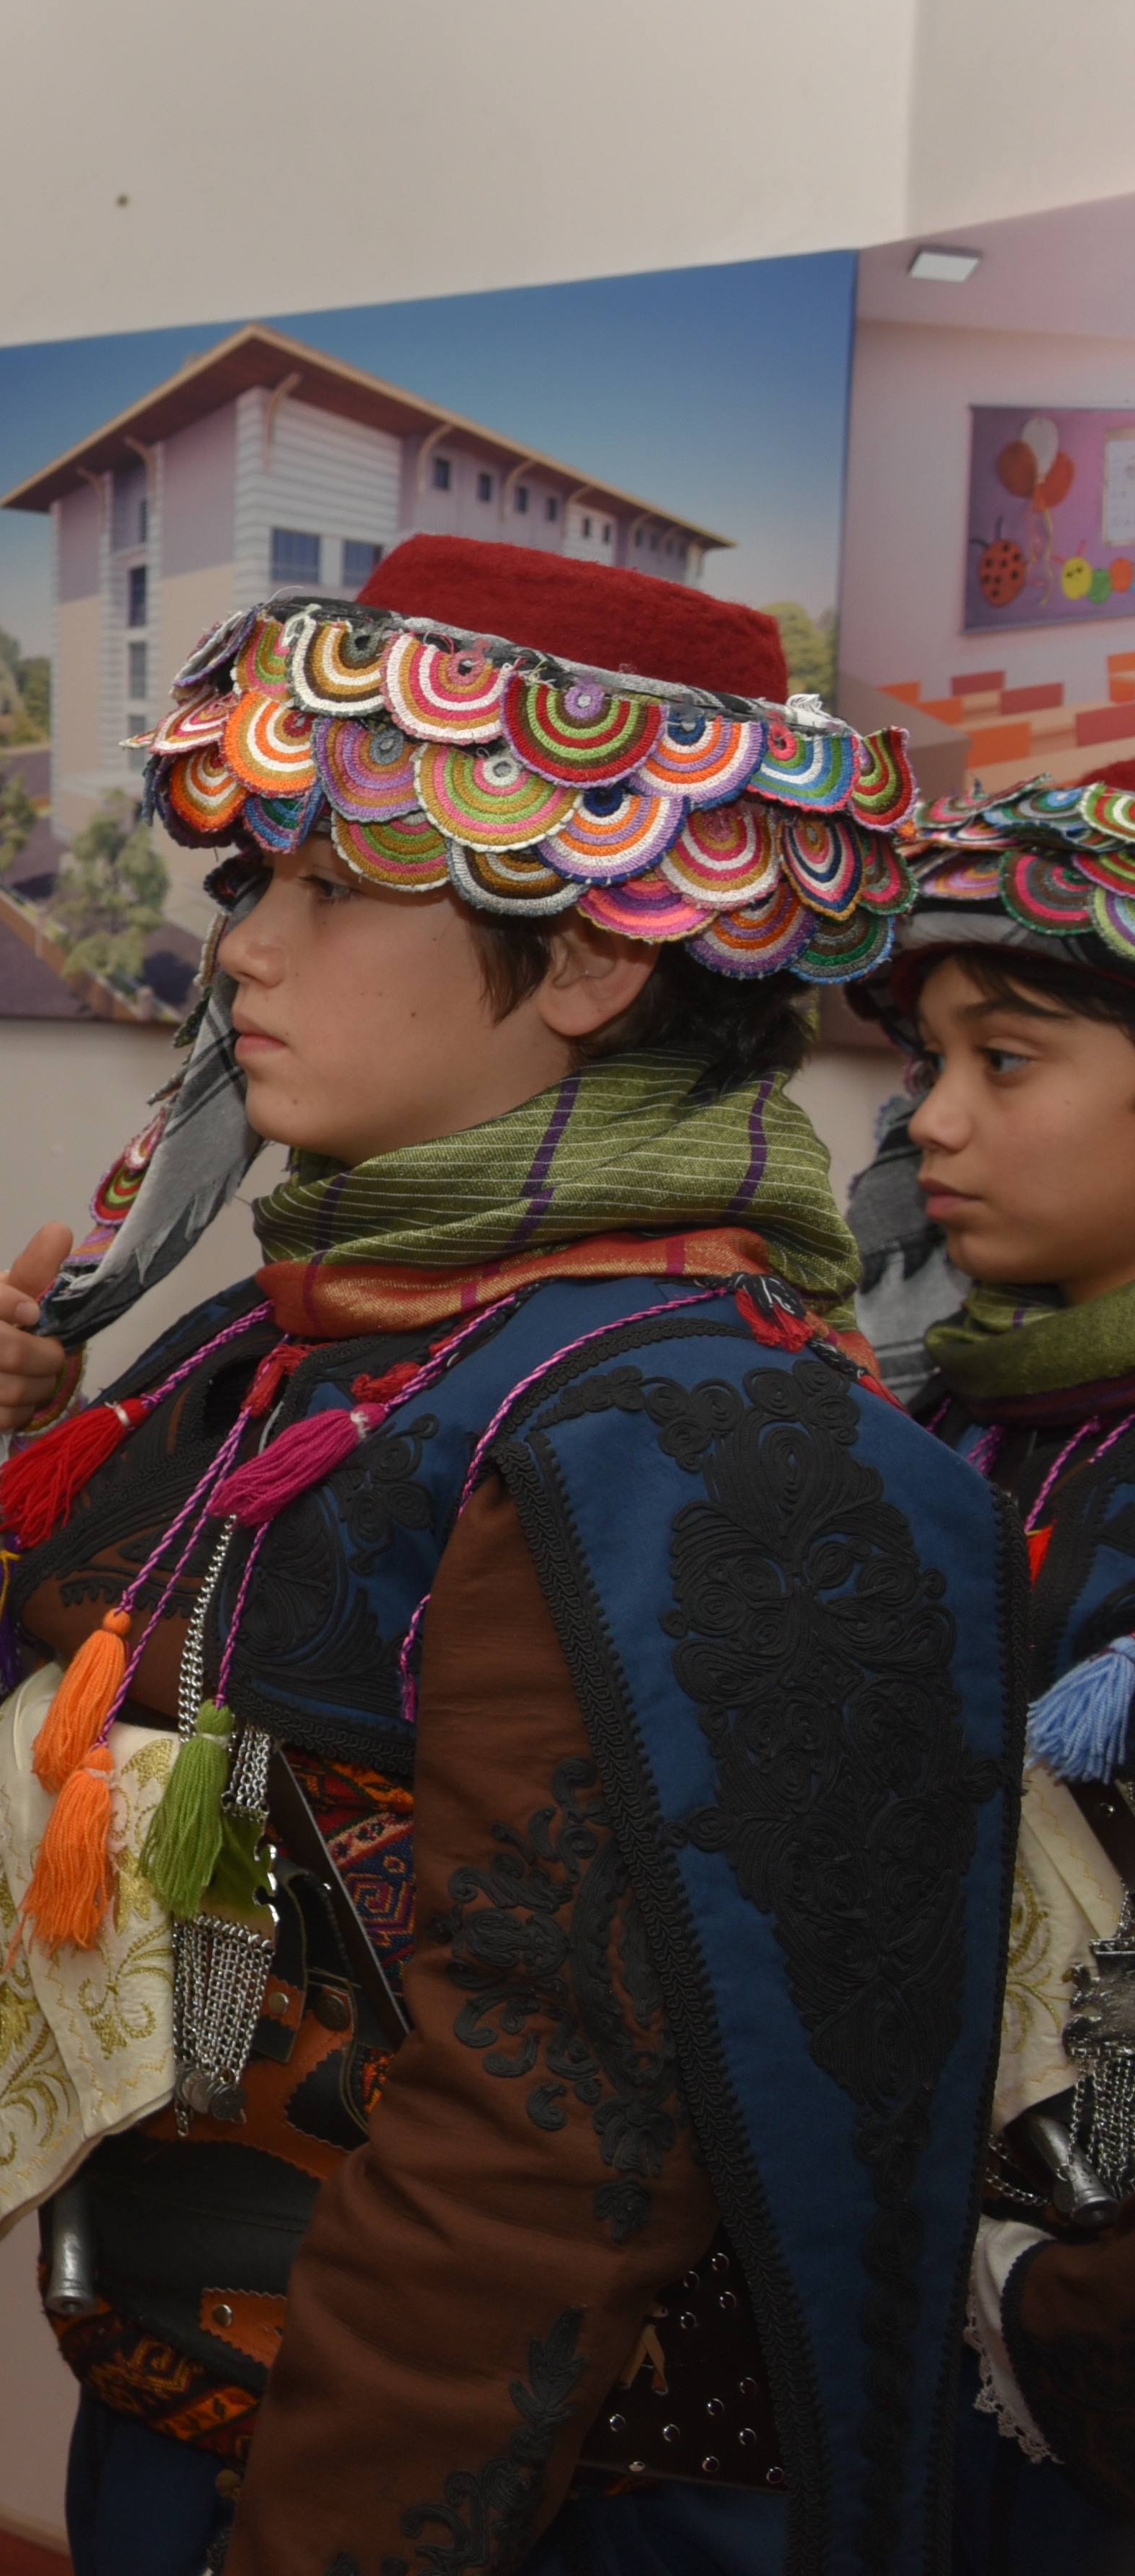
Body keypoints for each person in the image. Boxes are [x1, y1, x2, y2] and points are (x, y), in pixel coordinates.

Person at [0, 539, 1013, 2574]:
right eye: (253, 884)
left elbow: (530, 2173)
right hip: (199, 2420)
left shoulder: (695, 1444)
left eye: (329, 888)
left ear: (591, 961)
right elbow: (156, 1619)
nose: (243, 951)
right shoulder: (344, 1320)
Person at [841, 784, 1135, 2572]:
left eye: (1002, 1060)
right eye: (926, 1061)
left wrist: (1064, 2308)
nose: (931, 1119)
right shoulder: (926, 1424)